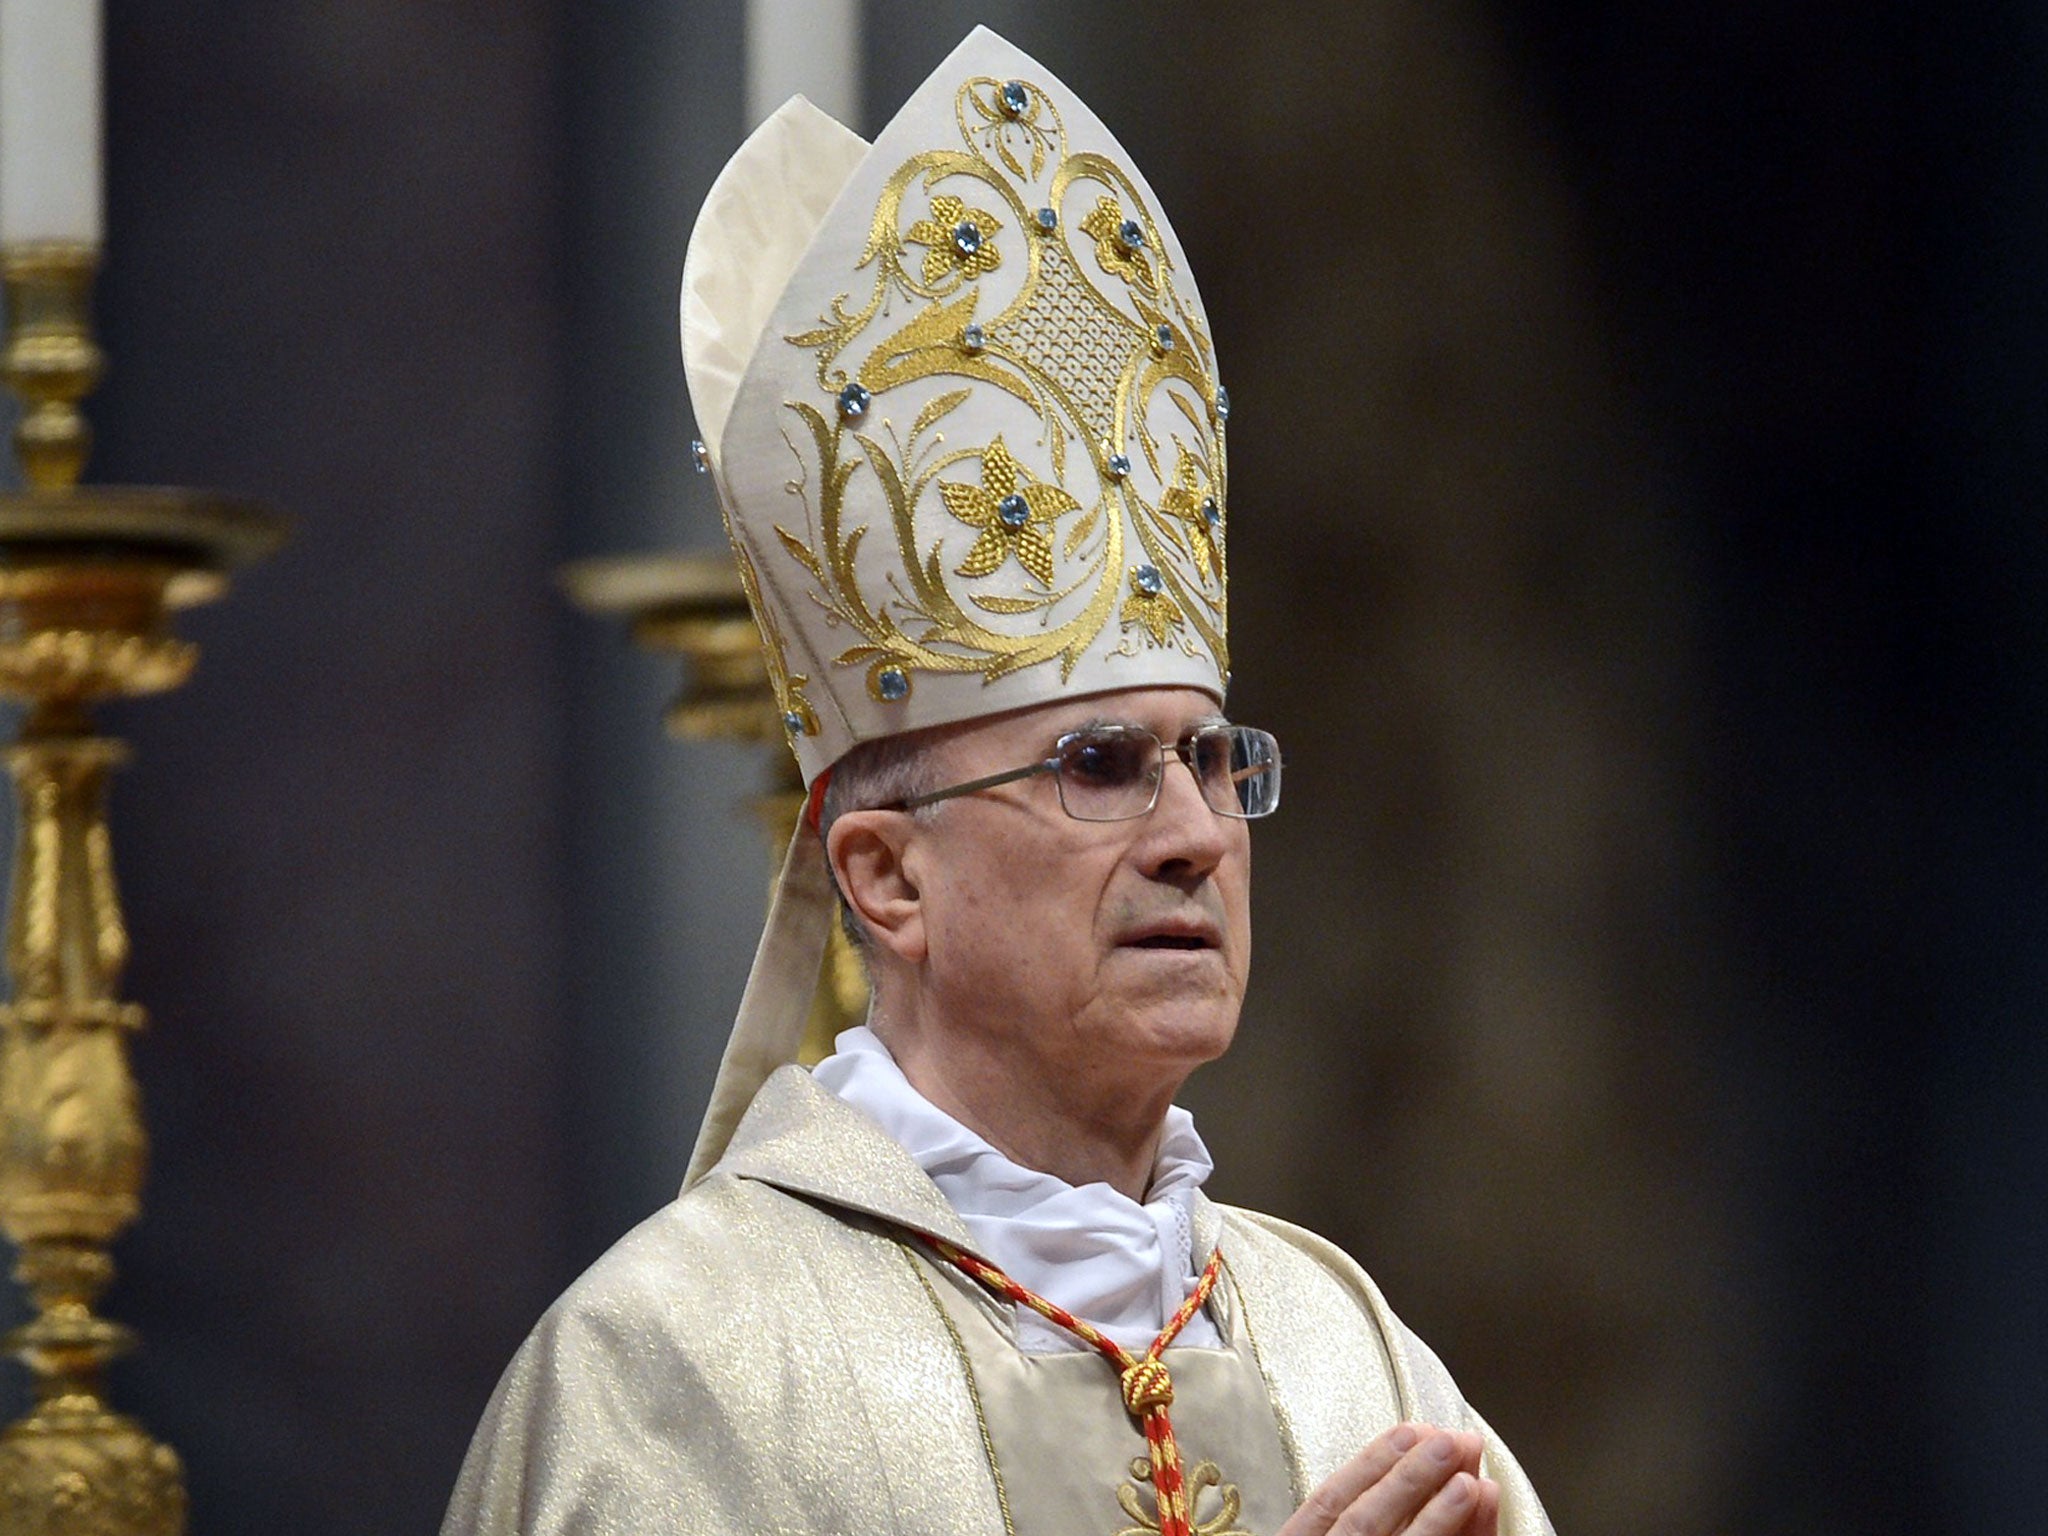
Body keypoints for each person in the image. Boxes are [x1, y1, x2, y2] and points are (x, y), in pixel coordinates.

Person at [443, 27, 1554, 1536]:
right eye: (1101, 768)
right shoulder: (678, 1375)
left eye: (1215, 763)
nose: (1192, 836)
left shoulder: (1355, 1361)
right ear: (887, 878)